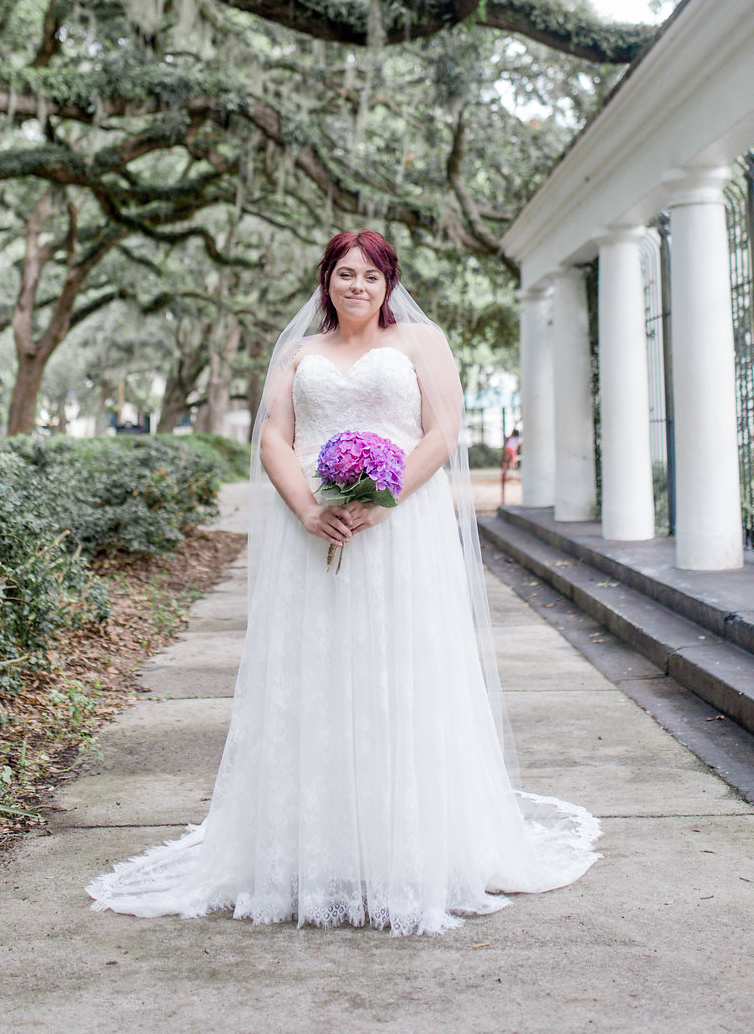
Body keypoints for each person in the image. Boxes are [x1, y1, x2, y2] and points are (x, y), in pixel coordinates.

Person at [87, 231, 600, 935]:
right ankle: (313, 847)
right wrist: (307, 508)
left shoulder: (423, 343)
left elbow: (443, 431)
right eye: (343, 274)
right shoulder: (300, 355)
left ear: (389, 283)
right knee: (316, 679)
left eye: (370, 275)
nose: (356, 286)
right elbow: (274, 437)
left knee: (399, 676)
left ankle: (406, 844)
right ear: (325, 280)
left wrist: (381, 499)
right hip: (315, 537)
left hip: (400, 537)